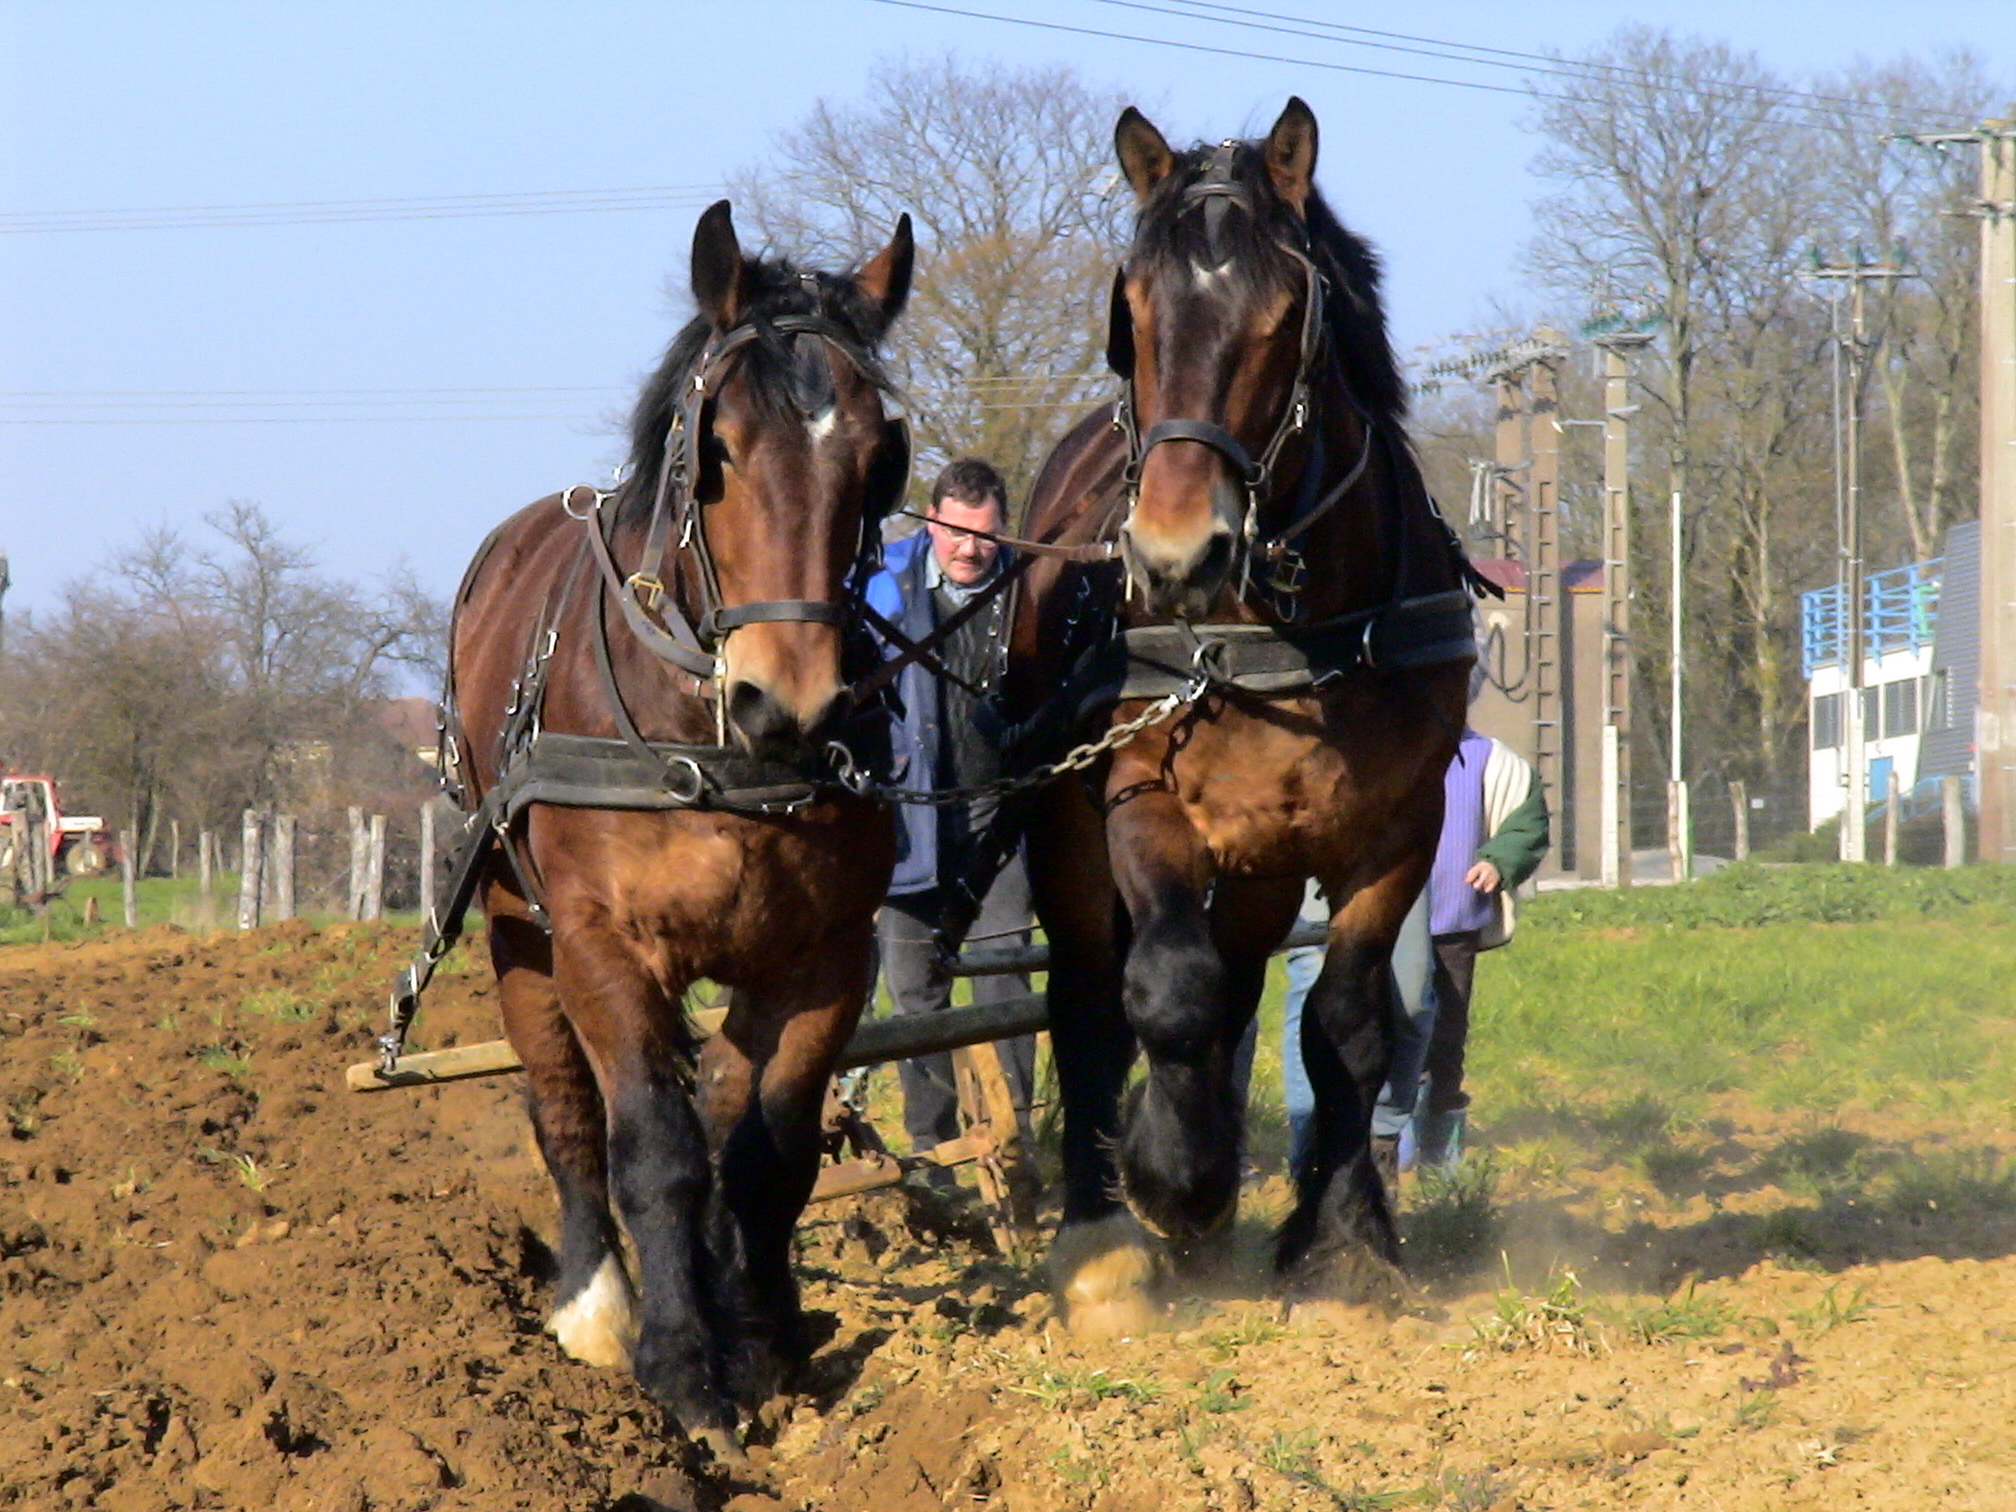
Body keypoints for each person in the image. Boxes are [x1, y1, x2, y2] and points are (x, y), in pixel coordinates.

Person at [1277, 726, 1549, 1175]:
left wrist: (1499, 859)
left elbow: (1528, 821)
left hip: (1449, 921)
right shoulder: (1363, 748)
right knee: (1365, 1018)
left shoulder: (1488, 757)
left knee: (1442, 1033)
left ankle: (1439, 1144)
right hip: (1370, 919)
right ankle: (1379, 1137)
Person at [864, 458, 1037, 1157]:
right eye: (956, 533)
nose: (969, 549)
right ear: (930, 520)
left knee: (1006, 981)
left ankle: (1015, 1142)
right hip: (909, 828)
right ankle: (931, 1153)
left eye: (986, 536)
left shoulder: (1030, 592)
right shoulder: (878, 587)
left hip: (999, 827)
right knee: (917, 998)